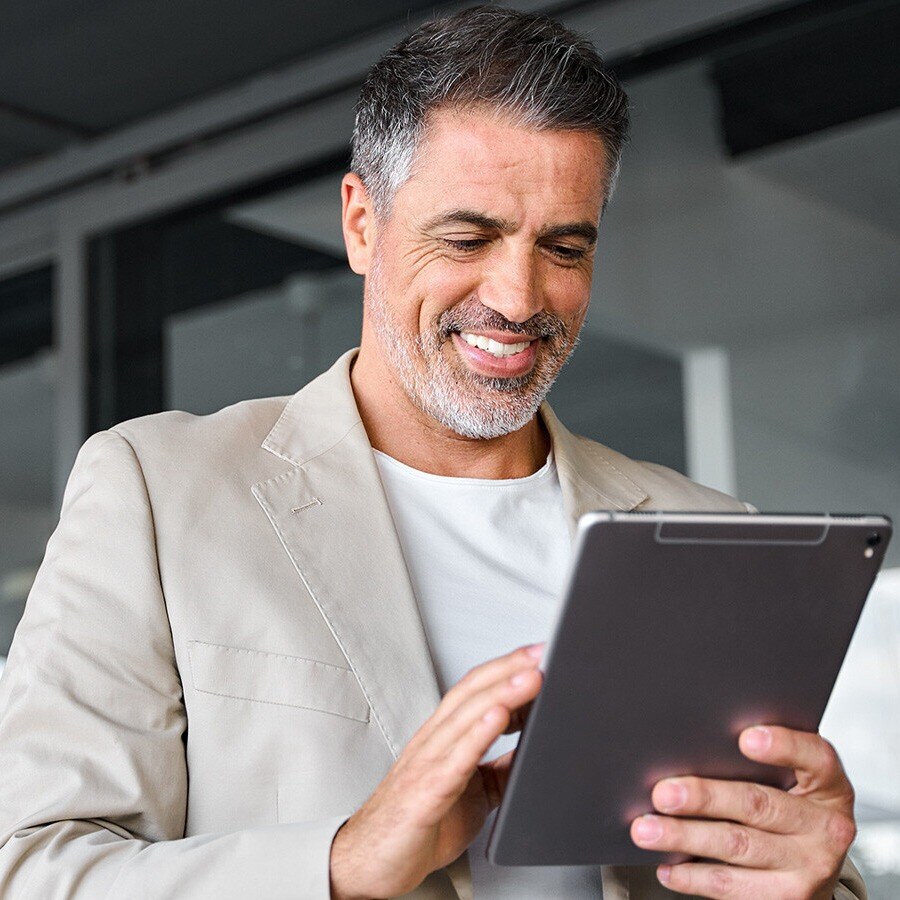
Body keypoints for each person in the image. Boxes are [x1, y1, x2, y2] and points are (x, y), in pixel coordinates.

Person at [0, 6, 865, 899]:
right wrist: (341, 863)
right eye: (468, 238)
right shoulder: (159, 492)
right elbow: (32, 870)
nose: (518, 296)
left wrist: (816, 877)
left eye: (563, 247)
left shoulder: (711, 535)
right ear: (362, 223)